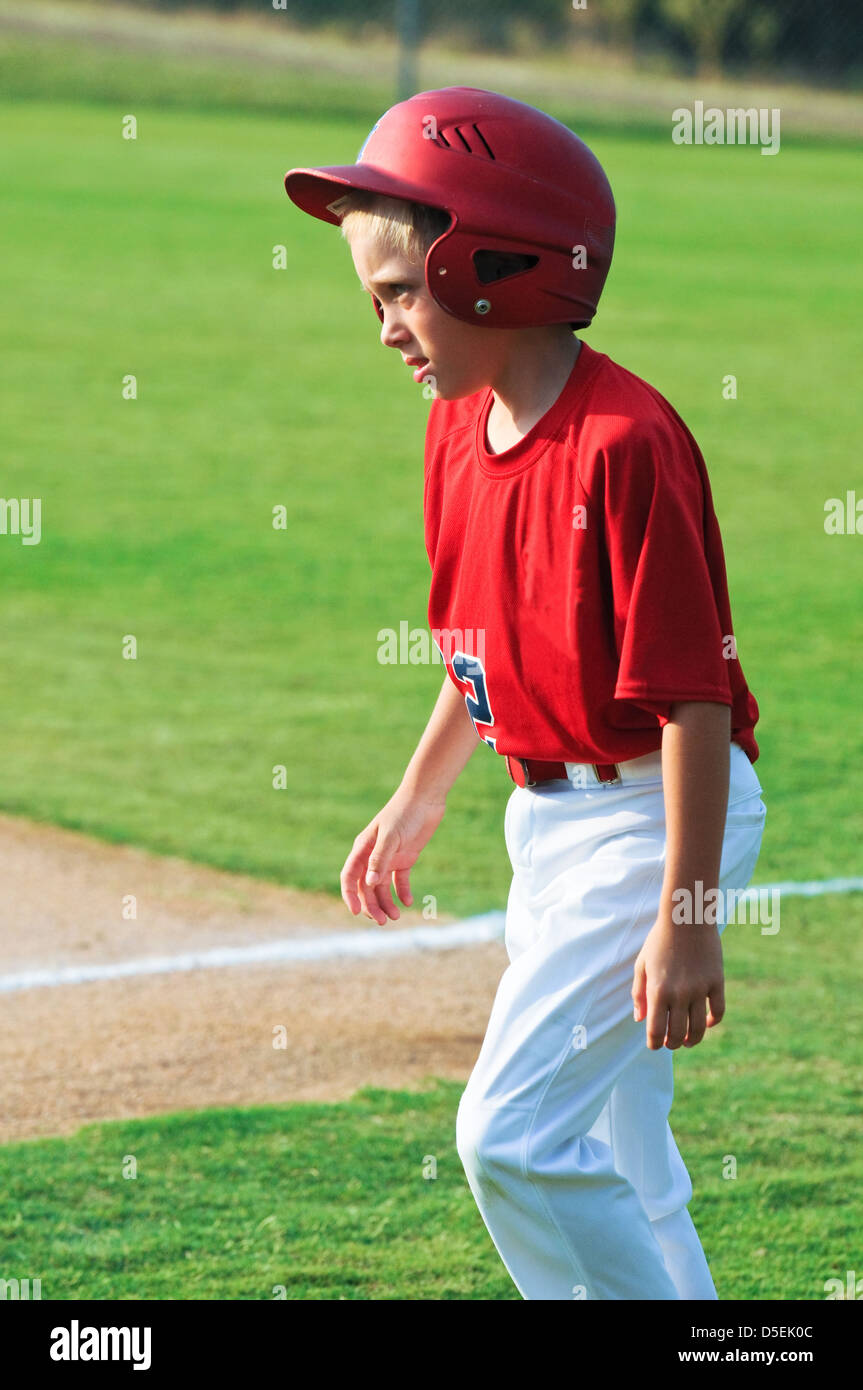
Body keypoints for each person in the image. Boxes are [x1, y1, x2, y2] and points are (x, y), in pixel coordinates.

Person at [284, 87, 767, 1300]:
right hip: (547, 826)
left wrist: (689, 912)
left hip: (654, 817)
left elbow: (695, 706)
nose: (385, 328)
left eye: (399, 292)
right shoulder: (456, 427)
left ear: (495, 263)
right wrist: (415, 796)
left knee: (507, 1134)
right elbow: (478, 643)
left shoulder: (624, 443)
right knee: (614, 1143)